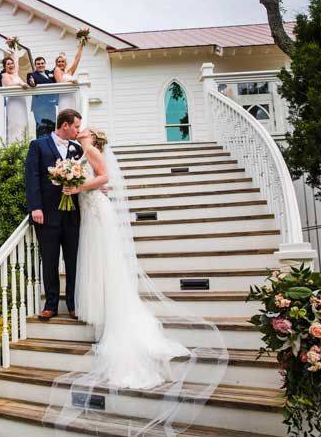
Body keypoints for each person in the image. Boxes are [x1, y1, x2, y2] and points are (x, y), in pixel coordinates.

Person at [43, 126, 228, 435]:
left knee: (103, 260)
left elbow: (104, 178)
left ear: (91, 136)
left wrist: (76, 188)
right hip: (90, 211)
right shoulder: (84, 152)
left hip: (95, 210)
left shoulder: (90, 151)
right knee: (96, 261)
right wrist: (77, 186)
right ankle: (103, 311)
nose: (80, 130)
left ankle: (112, 316)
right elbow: (100, 181)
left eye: (84, 129)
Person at [24, 109, 83, 321]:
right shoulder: (38, 145)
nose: (78, 130)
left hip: (72, 215)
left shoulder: (77, 149)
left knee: (73, 260)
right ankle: (50, 305)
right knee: (49, 261)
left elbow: (86, 176)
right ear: (65, 125)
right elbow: (32, 177)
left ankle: (73, 304)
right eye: (76, 126)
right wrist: (35, 207)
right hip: (46, 214)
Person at [1, 48, 30, 142]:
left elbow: (16, 62)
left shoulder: (16, 74)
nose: (11, 65)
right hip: (13, 103)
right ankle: (14, 143)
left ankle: (24, 142)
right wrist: (21, 84)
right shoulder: (5, 75)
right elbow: (9, 86)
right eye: (8, 64)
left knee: (23, 123)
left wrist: (13, 52)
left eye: (11, 63)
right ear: (5, 66)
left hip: (21, 102)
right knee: (15, 124)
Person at [27, 56, 59, 137]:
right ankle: (41, 147)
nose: (40, 65)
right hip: (39, 106)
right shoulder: (32, 75)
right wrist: (32, 83)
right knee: (41, 128)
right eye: (38, 64)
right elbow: (31, 83)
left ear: (45, 64)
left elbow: (58, 70)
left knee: (52, 127)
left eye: (42, 63)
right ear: (35, 65)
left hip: (51, 105)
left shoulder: (50, 73)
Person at [53, 37, 85, 110]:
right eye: (59, 61)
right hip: (64, 98)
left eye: (62, 61)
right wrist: (72, 81)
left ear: (65, 63)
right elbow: (60, 83)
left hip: (72, 97)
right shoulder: (57, 70)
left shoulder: (69, 72)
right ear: (56, 63)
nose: (61, 63)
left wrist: (81, 46)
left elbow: (77, 59)